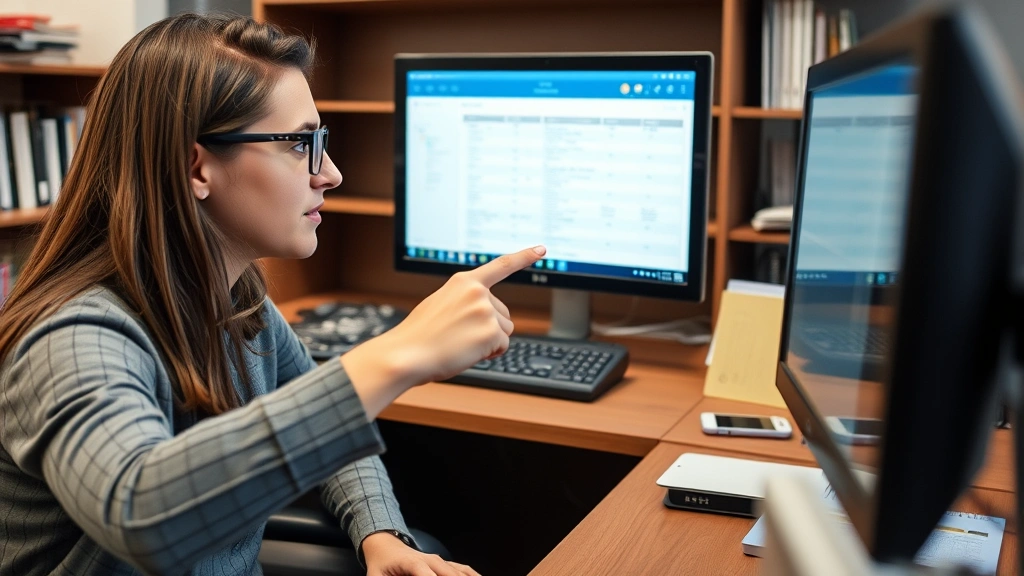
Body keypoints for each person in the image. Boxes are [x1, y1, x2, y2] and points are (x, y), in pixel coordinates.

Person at [0, 12, 544, 576]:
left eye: (322, 141)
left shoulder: (239, 305)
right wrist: (395, 355)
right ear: (197, 167)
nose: (329, 173)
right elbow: (142, 516)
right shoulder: (72, 339)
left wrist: (381, 535)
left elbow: (330, 429)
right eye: (298, 144)